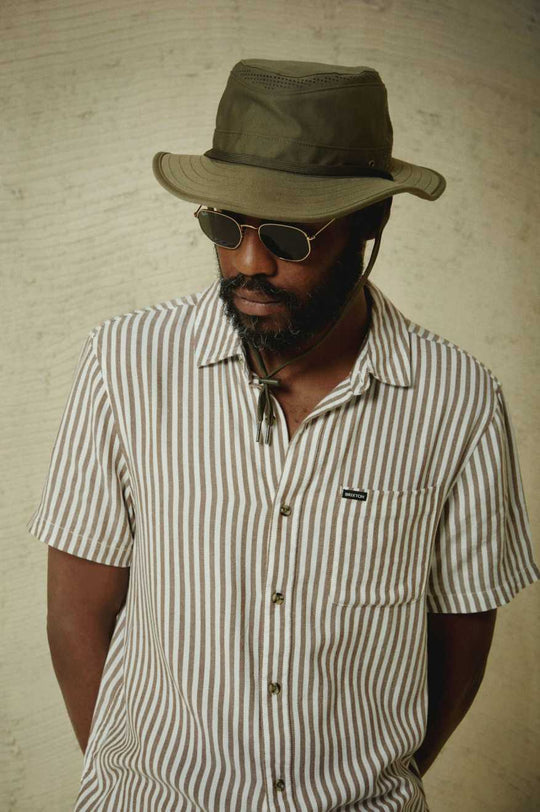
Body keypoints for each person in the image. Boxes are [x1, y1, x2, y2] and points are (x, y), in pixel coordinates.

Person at [26, 58, 539, 811]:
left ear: (370, 224)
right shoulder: (124, 363)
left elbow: (462, 632)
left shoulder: (458, 400)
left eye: (289, 238)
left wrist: (366, 787)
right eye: (224, 227)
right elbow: (77, 612)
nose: (248, 262)